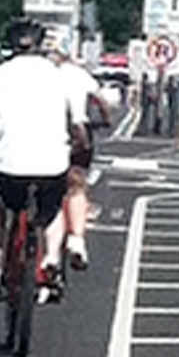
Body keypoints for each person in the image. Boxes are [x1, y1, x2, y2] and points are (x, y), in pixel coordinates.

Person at [0, 19, 82, 300]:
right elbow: (79, 125)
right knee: (54, 209)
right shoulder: (62, 76)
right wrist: (78, 143)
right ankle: (51, 259)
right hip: (51, 165)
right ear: (41, 44)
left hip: (10, 166)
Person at [55, 46, 111, 269]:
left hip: (42, 130)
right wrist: (107, 121)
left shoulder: (40, 74)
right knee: (77, 181)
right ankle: (76, 240)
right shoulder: (80, 75)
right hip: (77, 130)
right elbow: (101, 101)